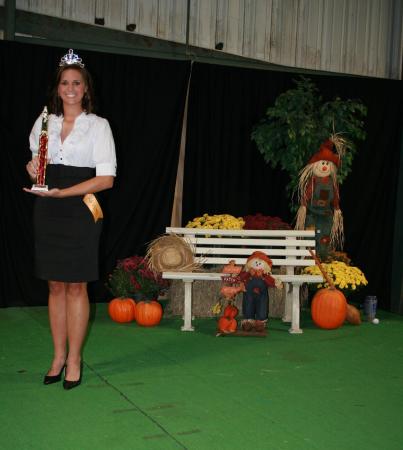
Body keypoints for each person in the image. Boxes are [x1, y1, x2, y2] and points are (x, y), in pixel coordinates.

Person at [24, 49, 117, 390]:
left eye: (77, 83)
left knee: (77, 284)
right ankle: (57, 356)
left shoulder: (98, 126)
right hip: (47, 207)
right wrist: (32, 168)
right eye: (65, 82)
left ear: (86, 88)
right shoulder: (44, 121)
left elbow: (106, 179)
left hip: (81, 207)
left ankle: (75, 359)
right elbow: (36, 163)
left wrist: (66, 193)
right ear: (58, 87)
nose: (71, 88)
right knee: (54, 284)